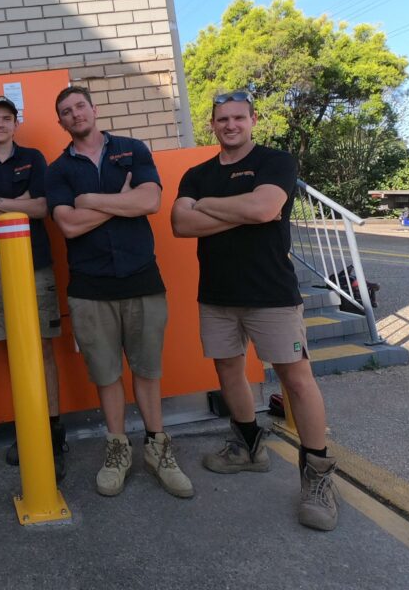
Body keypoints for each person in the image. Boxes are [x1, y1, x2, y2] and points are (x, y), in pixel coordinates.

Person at [171, 90, 338, 531]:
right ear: (212, 124)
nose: (230, 125)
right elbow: (180, 224)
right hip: (217, 294)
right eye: (222, 119)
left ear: (252, 120)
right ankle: (247, 447)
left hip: (272, 294)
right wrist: (242, 211)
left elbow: (266, 208)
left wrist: (210, 207)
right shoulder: (197, 173)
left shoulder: (275, 162)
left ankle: (317, 478)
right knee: (228, 371)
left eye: (238, 118)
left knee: (297, 379)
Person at [46, 87, 193, 499]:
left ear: (94, 109)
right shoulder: (57, 170)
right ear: (60, 121)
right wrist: (120, 200)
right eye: (65, 112)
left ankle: (158, 448)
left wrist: (91, 199)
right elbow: (69, 227)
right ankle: (117, 449)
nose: (74, 115)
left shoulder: (131, 149)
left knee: (147, 370)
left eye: (79, 106)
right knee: (107, 375)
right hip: (89, 289)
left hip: (142, 281)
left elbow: (150, 201)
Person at [0, 96, 67, 480]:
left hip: (35, 266)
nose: (1, 124)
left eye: (7, 118)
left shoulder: (35, 158)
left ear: (15, 123)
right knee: (16, 350)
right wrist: (17, 202)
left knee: (41, 346)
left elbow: (43, 208)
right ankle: (29, 430)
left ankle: (54, 433)